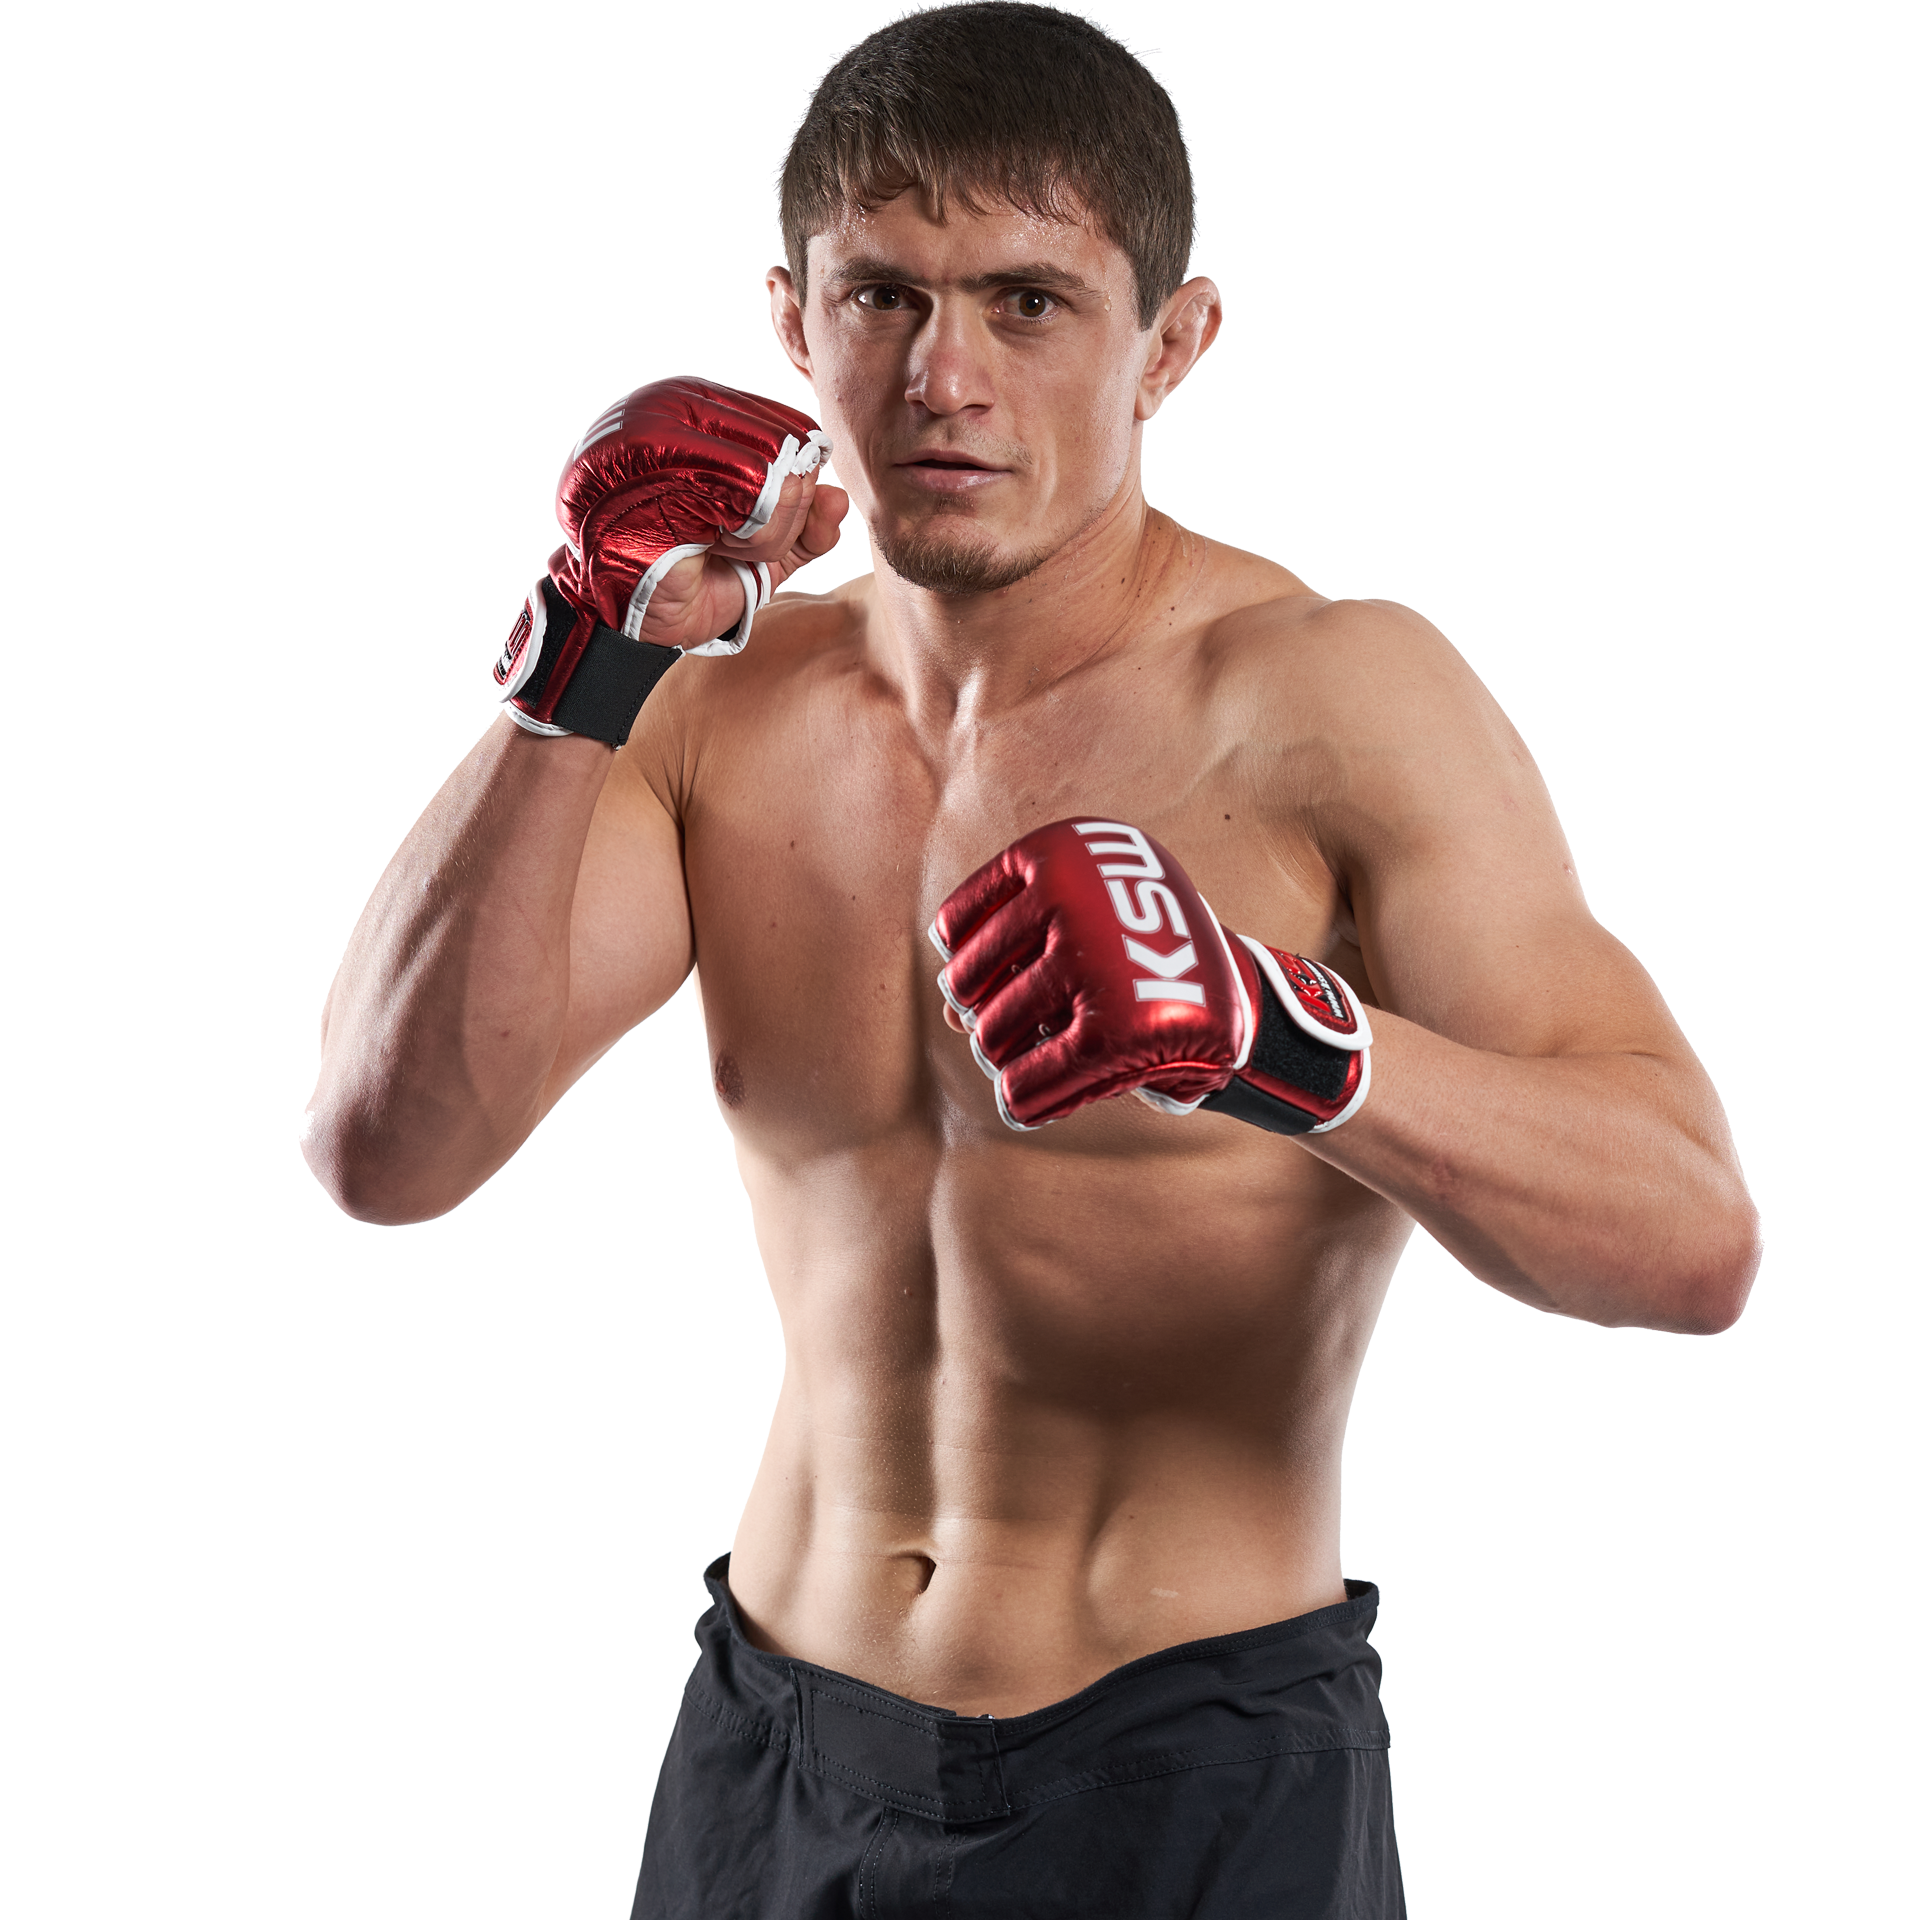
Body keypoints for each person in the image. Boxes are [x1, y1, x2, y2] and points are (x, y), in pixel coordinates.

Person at [304, 6, 1757, 1913]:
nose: (945, 377)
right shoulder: (713, 709)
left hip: (1189, 1769)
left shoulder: (1332, 701)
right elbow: (391, 1150)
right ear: (791, 319)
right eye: (883, 298)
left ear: (1175, 343)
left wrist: (1279, 1035)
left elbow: (1690, 1240)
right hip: (772, 1750)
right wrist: (582, 654)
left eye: (1028, 302)